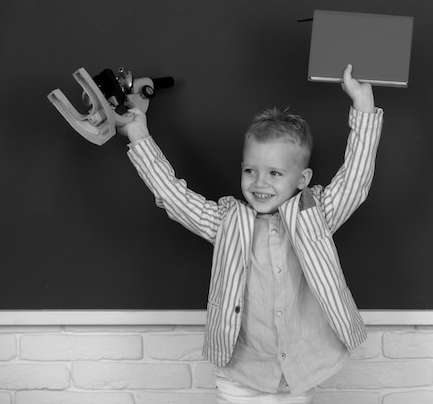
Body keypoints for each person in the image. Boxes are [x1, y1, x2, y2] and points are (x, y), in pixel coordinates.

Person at [118, 64, 383, 403]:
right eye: (251, 171)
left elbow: (355, 180)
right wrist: (139, 134)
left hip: (299, 375)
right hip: (240, 375)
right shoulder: (226, 221)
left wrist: (362, 107)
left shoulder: (315, 214)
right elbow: (172, 195)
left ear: (301, 180)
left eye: (275, 173)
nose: (260, 183)